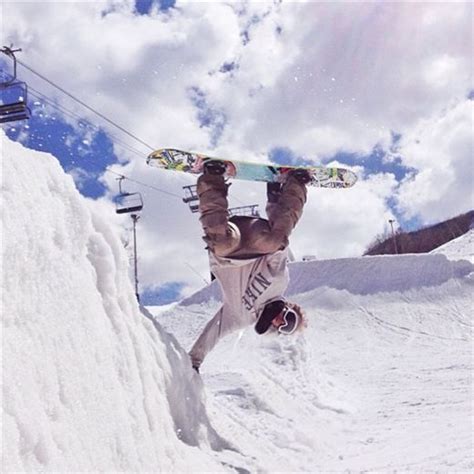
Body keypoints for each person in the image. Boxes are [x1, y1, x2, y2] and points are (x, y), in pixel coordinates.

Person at [189, 161, 310, 372]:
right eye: (289, 319)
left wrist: (195, 361)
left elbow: (213, 333)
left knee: (221, 241)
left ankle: (212, 177)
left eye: (284, 327)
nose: (282, 321)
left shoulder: (238, 318)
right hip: (255, 242)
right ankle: (294, 185)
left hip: (228, 252)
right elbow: (278, 248)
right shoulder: (279, 283)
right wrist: (276, 206)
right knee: (277, 241)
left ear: (275, 328)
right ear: (289, 308)